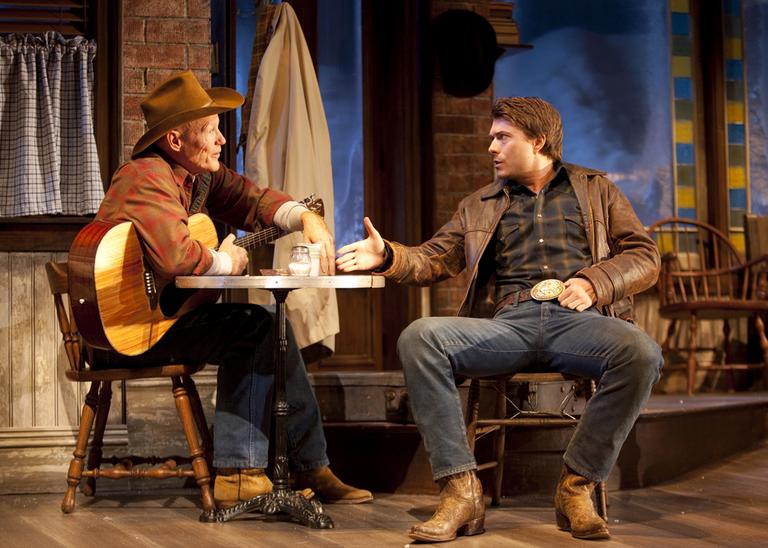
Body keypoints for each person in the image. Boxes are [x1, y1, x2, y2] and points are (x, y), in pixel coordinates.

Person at [337, 97, 662, 541]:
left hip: (578, 319)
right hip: (509, 324)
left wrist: (594, 282)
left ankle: (575, 486)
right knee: (421, 337)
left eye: (502, 137)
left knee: (641, 352)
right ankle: (460, 490)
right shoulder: (480, 204)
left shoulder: (595, 189)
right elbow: (433, 259)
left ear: (539, 141)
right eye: (492, 137)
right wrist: (387, 255)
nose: (491, 146)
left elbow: (644, 256)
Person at [94, 70, 372, 508]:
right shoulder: (145, 176)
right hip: (128, 328)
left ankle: (308, 465)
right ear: (175, 142)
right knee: (255, 327)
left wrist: (304, 218)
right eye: (210, 131)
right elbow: (177, 259)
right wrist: (226, 261)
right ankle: (239, 473)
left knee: (271, 327)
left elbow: (252, 200)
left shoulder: (198, 176)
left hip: (165, 317)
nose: (222, 140)